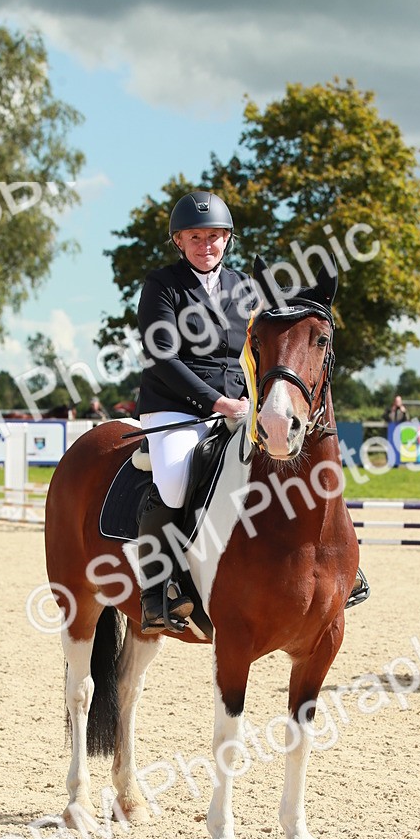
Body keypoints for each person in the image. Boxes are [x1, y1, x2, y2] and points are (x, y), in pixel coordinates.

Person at [135, 189, 252, 633]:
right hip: (175, 409)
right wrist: (215, 402)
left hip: (241, 406)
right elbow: (162, 358)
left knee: (289, 459)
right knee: (176, 480)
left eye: (215, 236)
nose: (207, 246)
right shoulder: (162, 285)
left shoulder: (246, 287)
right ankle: (156, 587)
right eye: (196, 237)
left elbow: (258, 352)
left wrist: (254, 402)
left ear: (228, 239)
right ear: (179, 241)